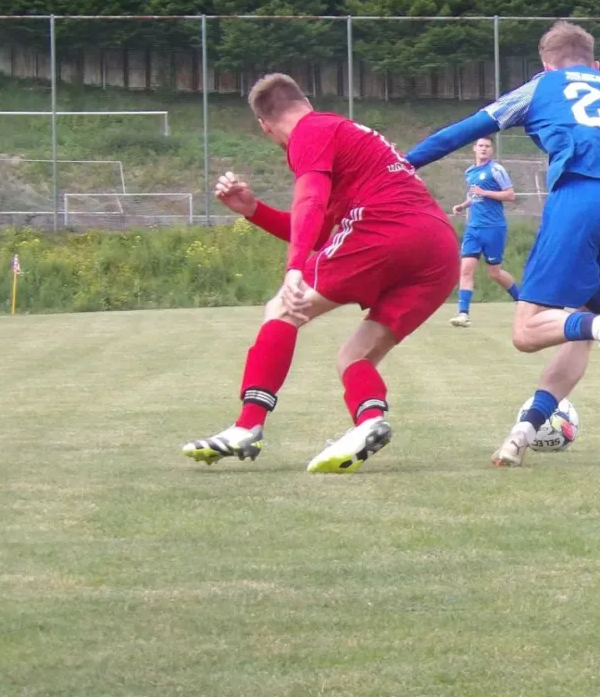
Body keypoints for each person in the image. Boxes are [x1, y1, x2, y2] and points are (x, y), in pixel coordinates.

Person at [406, 20, 600, 468]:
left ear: (546, 65)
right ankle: (523, 432)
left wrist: (402, 164)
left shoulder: (542, 85)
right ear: (596, 64)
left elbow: (462, 131)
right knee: (579, 328)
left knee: (527, 332)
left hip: (583, 195)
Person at [183, 74, 457, 472]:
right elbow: (323, 231)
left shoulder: (308, 132)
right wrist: (254, 211)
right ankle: (370, 422)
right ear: (305, 100)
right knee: (354, 356)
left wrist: (294, 269)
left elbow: (309, 201)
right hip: (439, 249)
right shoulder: (343, 134)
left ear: (264, 125)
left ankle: (246, 426)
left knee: (282, 309)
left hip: (384, 229)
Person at [450, 135, 520, 327]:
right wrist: (463, 205)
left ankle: (522, 301)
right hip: (473, 228)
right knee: (466, 269)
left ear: (492, 150)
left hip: (493, 227)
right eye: (480, 145)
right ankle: (463, 314)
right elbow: (474, 195)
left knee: (495, 273)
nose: (483, 149)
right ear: (474, 148)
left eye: (487, 146)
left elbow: (510, 195)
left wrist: (485, 193)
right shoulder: (470, 172)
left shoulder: (496, 170)